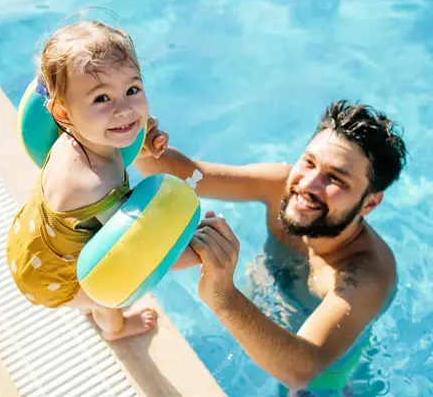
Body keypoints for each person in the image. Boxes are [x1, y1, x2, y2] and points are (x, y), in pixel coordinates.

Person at [135, 101, 407, 393]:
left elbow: (302, 369)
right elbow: (190, 174)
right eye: (309, 162)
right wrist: (139, 145)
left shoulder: (366, 272)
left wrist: (222, 295)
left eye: (335, 179)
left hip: (324, 375)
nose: (308, 185)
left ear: (370, 202)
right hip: (263, 316)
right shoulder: (280, 185)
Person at [5, 21, 200, 342]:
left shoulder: (71, 136)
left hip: (29, 243)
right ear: (64, 113)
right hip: (53, 277)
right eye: (101, 99)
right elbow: (134, 252)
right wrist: (196, 250)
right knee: (104, 295)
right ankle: (115, 330)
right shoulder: (94, 185)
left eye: (132, 90)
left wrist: (145, 138)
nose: (124, 110)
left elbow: (124, 125)